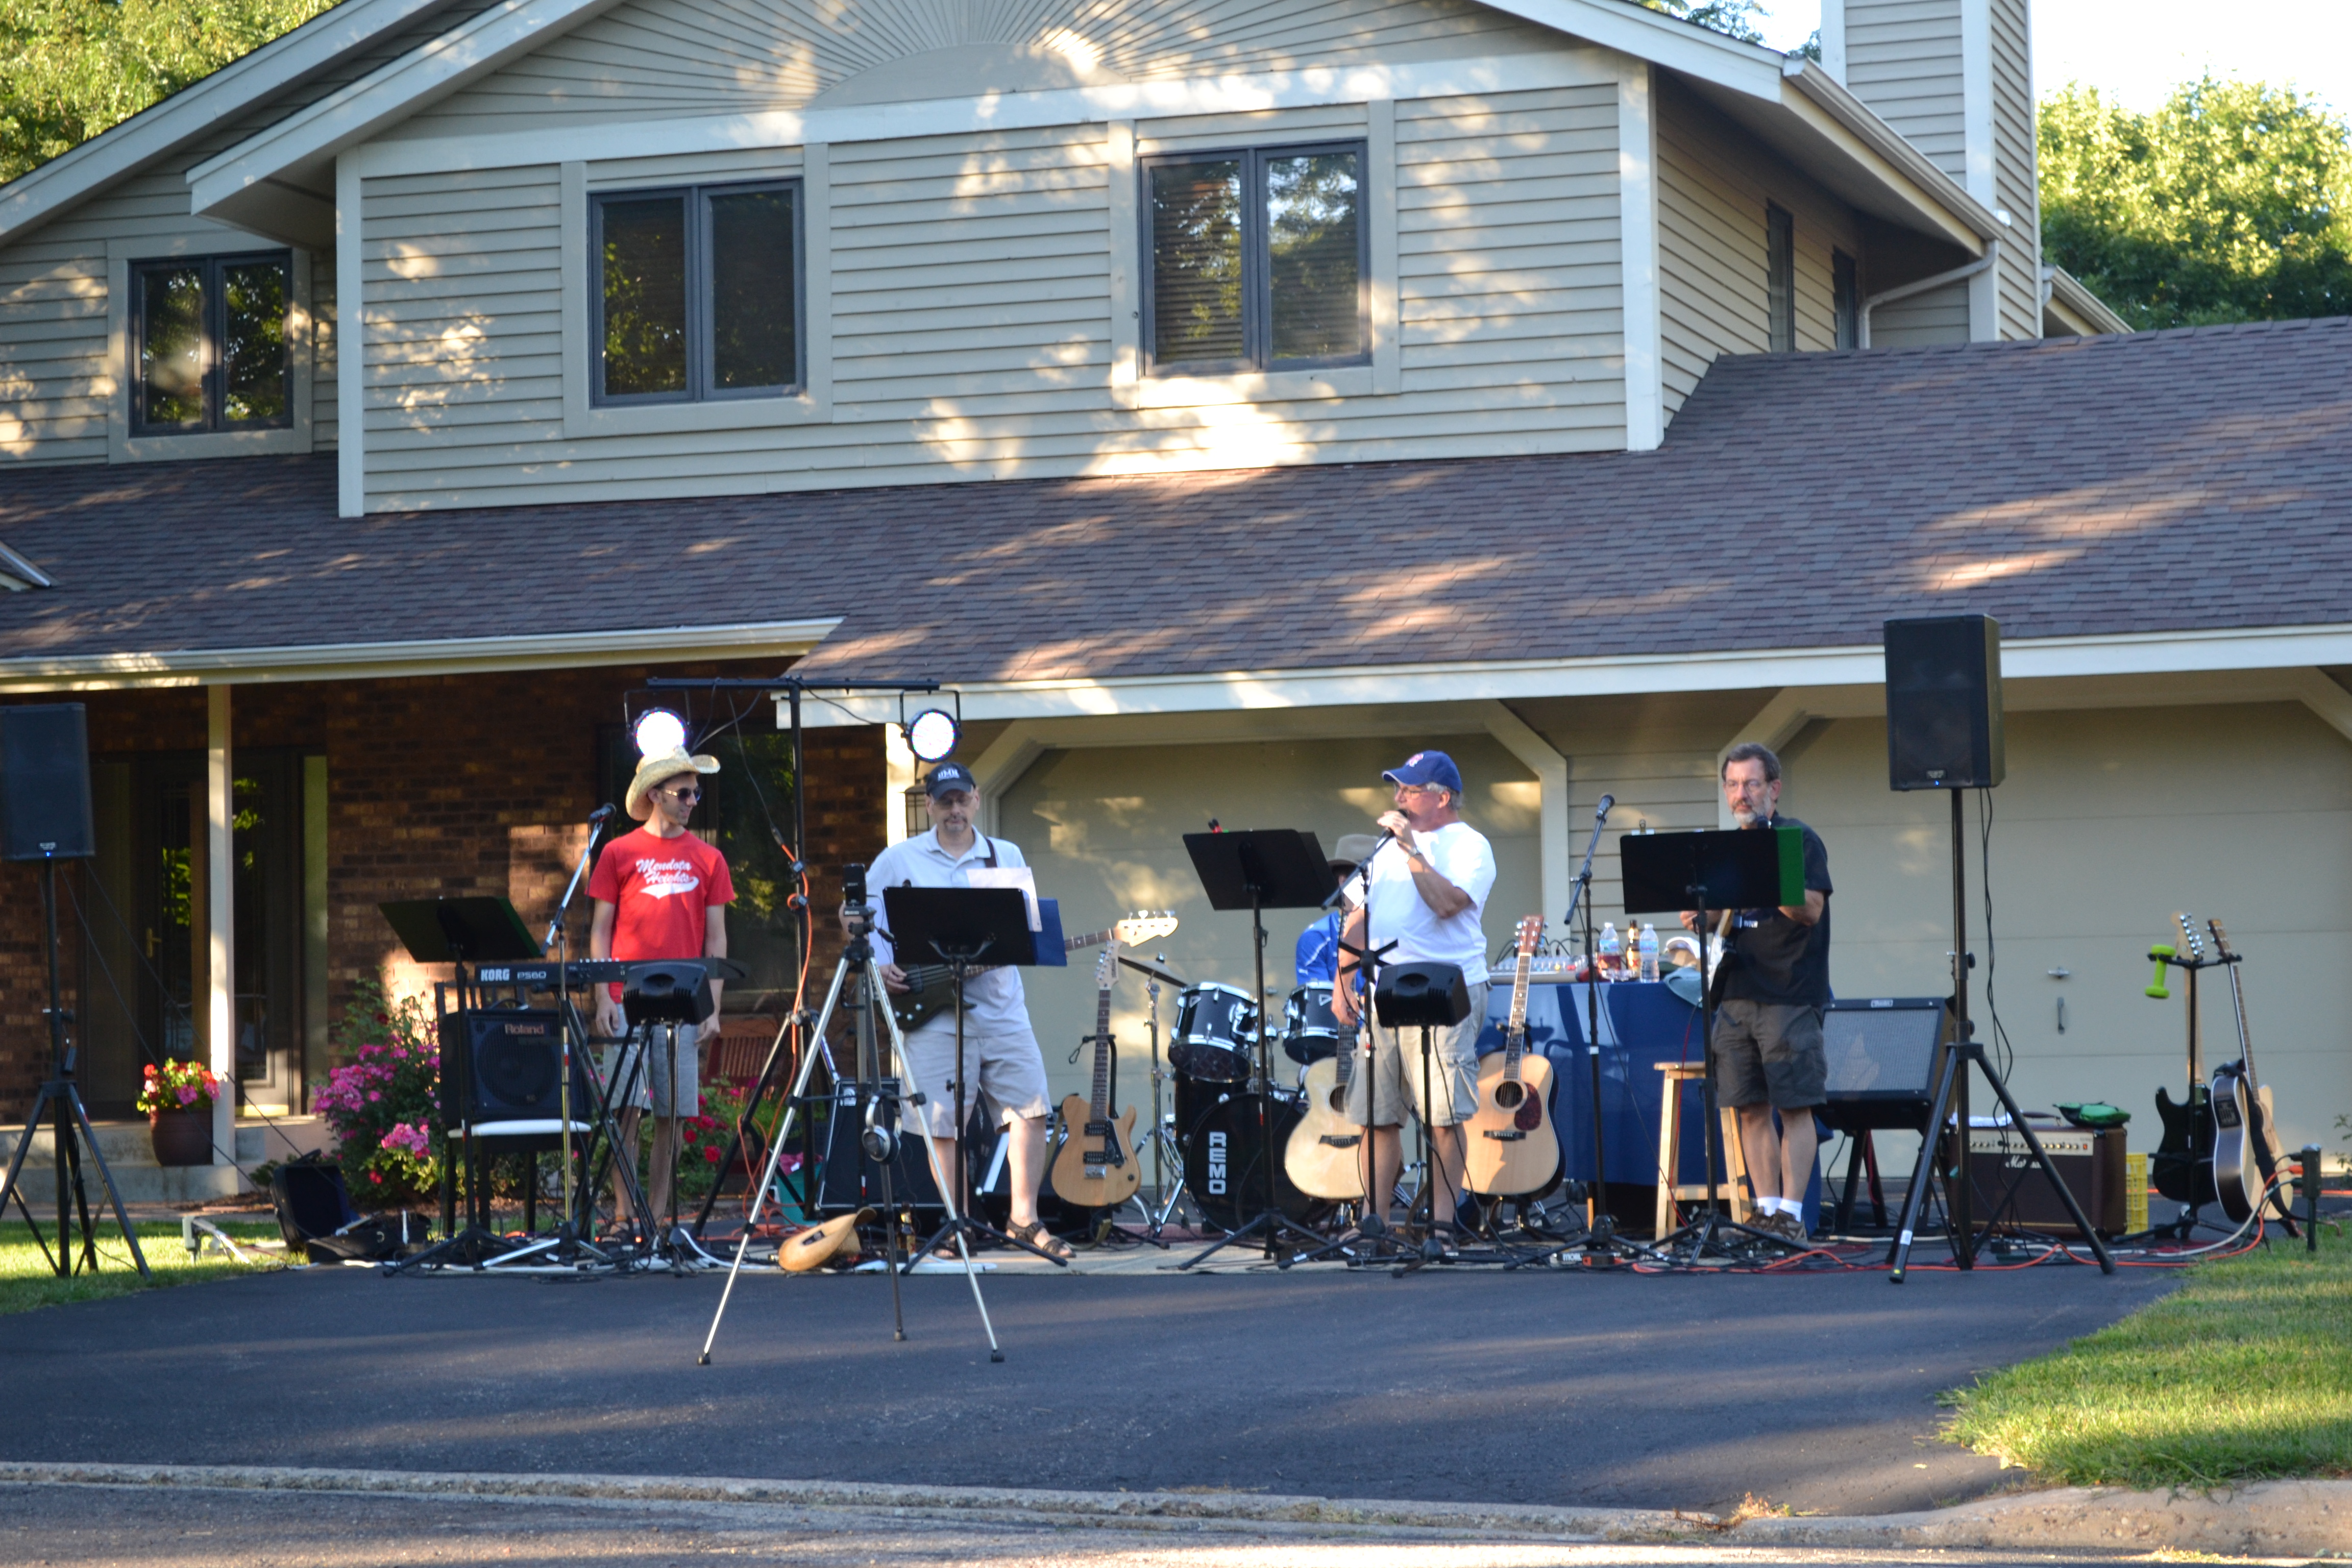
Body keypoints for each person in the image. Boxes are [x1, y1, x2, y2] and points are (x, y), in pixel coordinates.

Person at [851, 762, 1071, 1262]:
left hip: (1000, 1007)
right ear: (929, 805)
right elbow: (857, 916)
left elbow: (1027, 926)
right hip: (932, 1012)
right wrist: (880, 967)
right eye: (944, 801)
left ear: (975, 800)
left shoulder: (1004, 855)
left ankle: (1024, 1219)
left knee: (1031, 1110)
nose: (954, 810)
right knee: (942, 1122)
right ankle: (956, 1224)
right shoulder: (898, 859)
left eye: (961, 800)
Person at [1329, 752, 1496, 1247]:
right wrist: (1343, 980)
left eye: (1410, 789)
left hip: (1448, 990)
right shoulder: (1382, 850)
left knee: (1443, 1117)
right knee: (1376, 1116)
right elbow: (1357, 917)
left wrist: (1411, 851)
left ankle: (1443, 1228)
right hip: (1386, 989)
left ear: (1442, 798)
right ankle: (1372, 1224)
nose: (1399, 798)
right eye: (1397, 789)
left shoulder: (1471, 846)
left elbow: (1447, 905)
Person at [1681, 742, 1832, 1244]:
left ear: (1774, 788)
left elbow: (1810, 910)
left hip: (1790, 991)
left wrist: (1763, 877)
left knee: (1794, 1106)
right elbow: (1713, 921)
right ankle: (1764, 1215)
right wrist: (1697, 913)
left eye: (1751, 783)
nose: (1741, 794)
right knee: (1748, 1107)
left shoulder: (1797, 838)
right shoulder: (1725, 847)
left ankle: (1792, 1214)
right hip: (1736, 989)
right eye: (1732, 784)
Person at [589, 745, 733, 1231]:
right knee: (626, 1109)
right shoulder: (617, 851)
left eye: (697, 792)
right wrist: (601, 995)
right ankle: (624, 1215)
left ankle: (656, 1216)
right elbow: (600, 930)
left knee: (673, 1112)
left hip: (684, 998)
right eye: (685, 792)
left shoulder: (710, 857)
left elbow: (716, 938)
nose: (693, 800)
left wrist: (712, 1006)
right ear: (655, 794)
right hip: (626, 994)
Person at [1295, 834, 1381, 985]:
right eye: (1370, 875)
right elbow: (1321, 1003)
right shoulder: (1317, 937)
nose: (1380, 883)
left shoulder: (1395, 929)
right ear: (1344, 881)